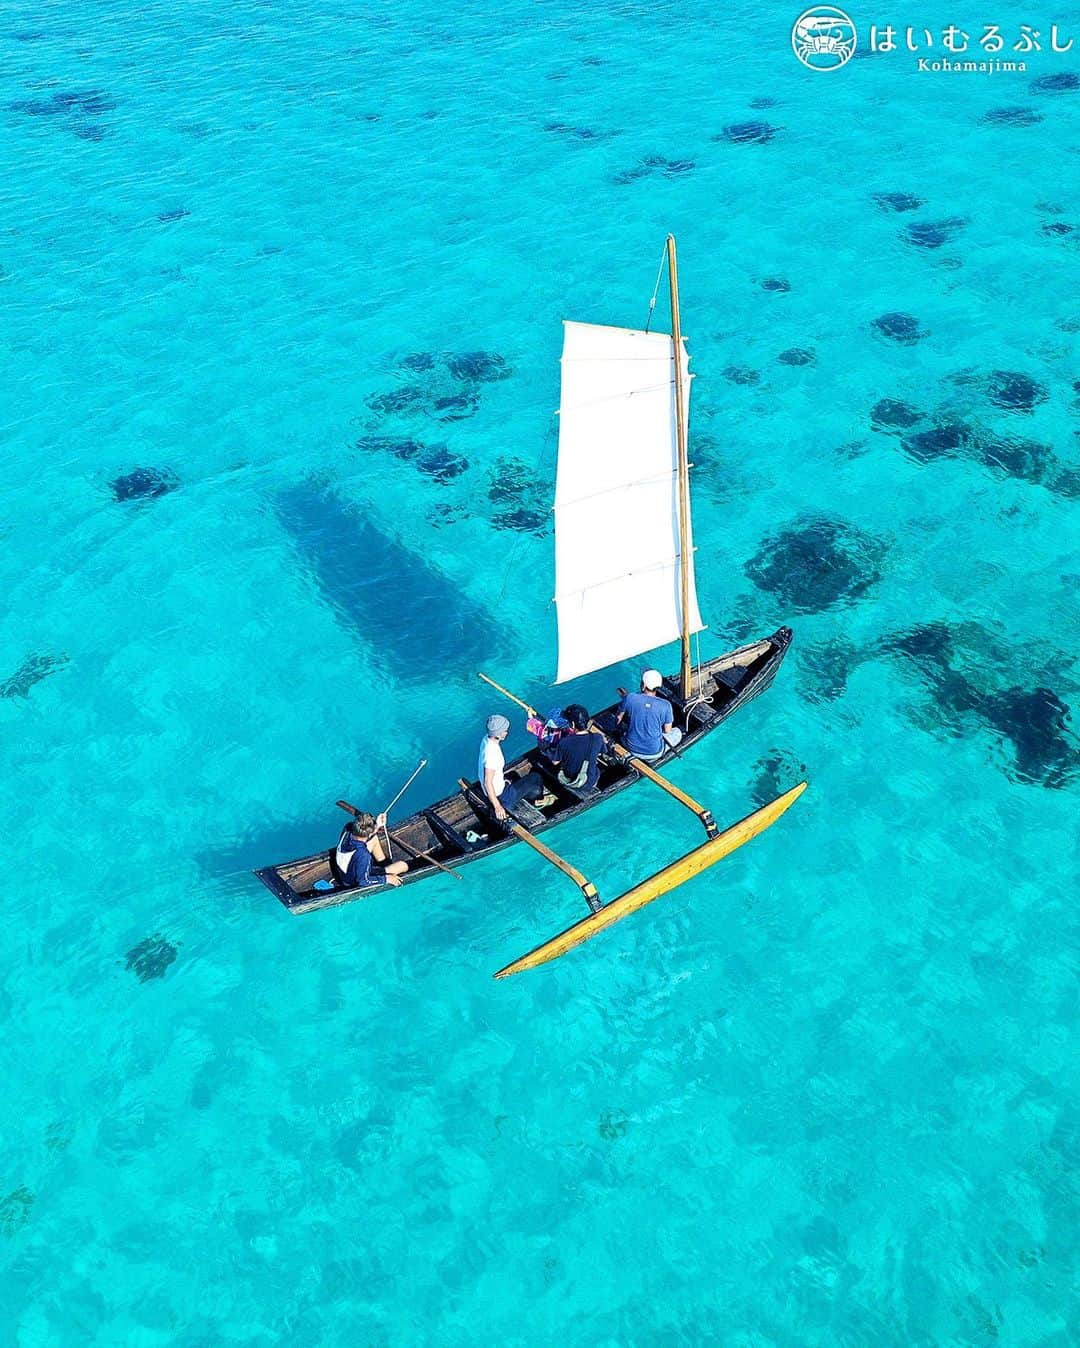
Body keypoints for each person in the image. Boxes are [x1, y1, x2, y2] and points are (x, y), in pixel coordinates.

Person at [480, 713, 555, 822]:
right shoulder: (491, 754)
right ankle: (539, 801)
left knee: (513, 775)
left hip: (498, 789)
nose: (507, 732)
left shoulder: (486, 740)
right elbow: (488, 782)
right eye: (505, 730)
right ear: (498, 734)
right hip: (503, 797)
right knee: (536, 777)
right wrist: (497, 807)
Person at [334, 811, 408, 888]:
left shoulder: (348, 828)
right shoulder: (364, 856)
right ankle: (386, 871)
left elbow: (367, 835)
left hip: (345, 872)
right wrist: (386, 879)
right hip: (352, 882)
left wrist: (377, 825)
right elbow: (363, 881)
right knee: (403, 865)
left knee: (374, 839)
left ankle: (384, 864)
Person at [615, 669, 676, 760]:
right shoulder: (666, 705)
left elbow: (618, 719)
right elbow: (667, 730)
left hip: (631, 748)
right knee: (678, 732)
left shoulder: (630, 697)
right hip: (654, 753)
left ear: (644, 685)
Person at [548, 703, 603, 791]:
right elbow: (601, 752)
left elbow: (555, 762)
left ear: (572, 724)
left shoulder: (564, 742)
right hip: (591, 779)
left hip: (573, 782)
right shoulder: (597, 738)